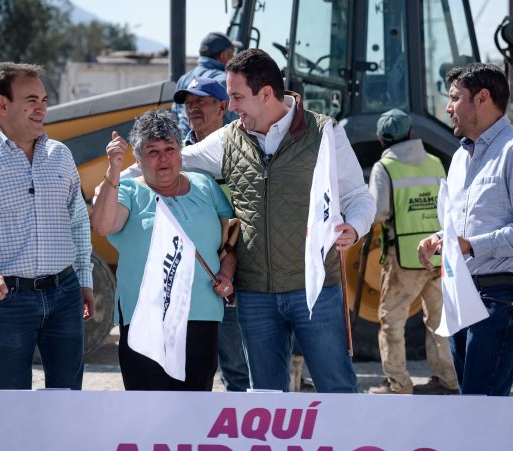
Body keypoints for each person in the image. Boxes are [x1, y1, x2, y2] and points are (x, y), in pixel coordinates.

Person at [137, 48, 375, 393]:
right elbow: (174, 162)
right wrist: (117, 178)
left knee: (336, 388)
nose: (231, 107)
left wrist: (353, 228)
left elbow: (358, 197)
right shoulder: (230, 138)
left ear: (265, 94)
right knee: (265, 398)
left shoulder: (325, 133)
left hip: (316, 290)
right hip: (255, 297)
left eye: (236, 97)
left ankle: (349, 448)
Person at [0, 62, 94, 390]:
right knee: (12, 402)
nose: (41, 108)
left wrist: (84, 280)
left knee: (68, 398)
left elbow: (79, 221)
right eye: (31, 100)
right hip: (8, 300)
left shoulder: (61, 156)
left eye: (43, 99)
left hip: (66, 293)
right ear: (2, 104)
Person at [417, 63, 513, 396]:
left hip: (502, 295)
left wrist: (471, 246)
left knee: (483, 406)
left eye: (454, 98)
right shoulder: (462, 157)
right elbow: (463, 226)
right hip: (463, 292)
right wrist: (440, 239)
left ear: (482, 98)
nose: (448, 108)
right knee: (472, 402)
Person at [91, 110, 235, 391]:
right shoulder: (127, 190)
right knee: (149, 415)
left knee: (195, 411)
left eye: (170, 149)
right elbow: (103, 225)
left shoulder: (205, 186)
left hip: (201, 316)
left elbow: (230, 243)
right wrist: (113, 170)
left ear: (181, 152)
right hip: (146, 320)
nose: (163, 158)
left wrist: (227, 275)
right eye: (152, 151)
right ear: (138, 158)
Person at [366, 109, 458, 395]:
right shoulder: (435, 163)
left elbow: (379, 212)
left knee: (392, 321)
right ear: (410, 133)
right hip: (437, 253)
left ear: (382, 139)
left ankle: (398, 383)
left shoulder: (385, 167)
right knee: (439, 320)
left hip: (404, 257)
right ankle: (448, 380)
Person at [174, 77, 250, 391]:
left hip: (235, 272)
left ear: (222, 107)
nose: (193, 108)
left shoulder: (241, 149)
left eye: (201, 101)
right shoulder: (177, 153)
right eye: (188, 103)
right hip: (192, 274)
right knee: (193, 368)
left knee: (238, 368)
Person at [171, 32, 239, 136]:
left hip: (184, 143)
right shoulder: (224, 81)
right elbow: (239, 119)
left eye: (200, 101)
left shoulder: (183, 79)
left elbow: (174, 117)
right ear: (225, 56)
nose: (234, 58)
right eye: (232, 54)